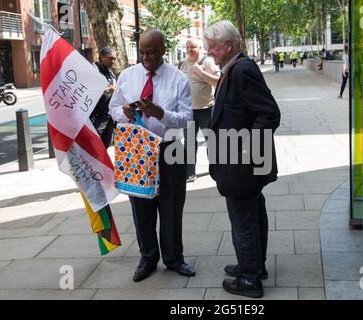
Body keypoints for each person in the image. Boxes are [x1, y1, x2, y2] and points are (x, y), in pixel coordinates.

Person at [109, 28, 195, 282]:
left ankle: (173, 259)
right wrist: (123, 110)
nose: (146, 57)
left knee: (171, 207)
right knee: (141, 208)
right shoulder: (127, 76)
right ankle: (148, 258)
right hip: (137, 151)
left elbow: (187, 118)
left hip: (170, 150)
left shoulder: (178, 79)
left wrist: (162, 114)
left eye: (152, 52)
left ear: (163, 50)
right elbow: (112, 108)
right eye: (143, 52)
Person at [204, 20, 281, 298]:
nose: (209, 51)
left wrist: (245, 151)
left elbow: (269, 113)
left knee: (243, 219)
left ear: (228, 46)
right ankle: (253, 266)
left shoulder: (242, 70)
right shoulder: (234, 69)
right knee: (251, 212)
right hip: (240, 164)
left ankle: (250, 280)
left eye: (212, 47)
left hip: (241, 165)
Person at [178, 38, 220, 183]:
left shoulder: (207, 61)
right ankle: (190, 173)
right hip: (188, 111)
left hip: (206, 109)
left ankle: (216, 169)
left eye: (193, 47)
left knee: (211, 141)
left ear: (200, 48)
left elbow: (217, 81)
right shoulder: (182, 64)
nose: (189, 50)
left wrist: (200, 72)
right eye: (187, 47)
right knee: (189, 142)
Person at [90, 47, 117, 148]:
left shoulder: (110, 72)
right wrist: (104, 90)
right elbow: (88, 89)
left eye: (114, 59)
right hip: (97, 117)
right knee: (94, 148)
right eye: (110, 58)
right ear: (102, 57)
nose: (113, 61)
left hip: (109, 117)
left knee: (105, 146)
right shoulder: (93, 70)